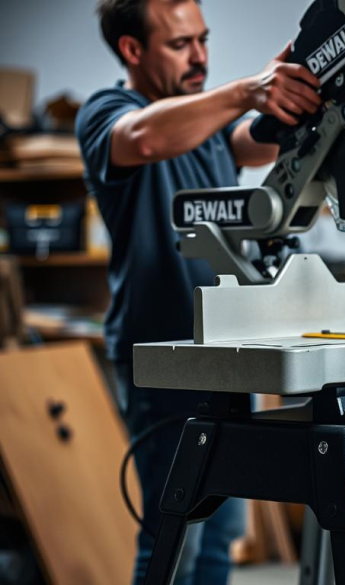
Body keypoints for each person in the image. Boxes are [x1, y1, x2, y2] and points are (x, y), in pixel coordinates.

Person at [76, 0, 321, 582]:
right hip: (165, 358)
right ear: (133, 50)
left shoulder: (207, 130)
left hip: (228, 355)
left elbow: (256, 142)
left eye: (204, 39)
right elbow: (144, 140)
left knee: (222, 536)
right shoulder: (110, 112)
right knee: (173, 534)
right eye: (181, 44)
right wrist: (246, 91)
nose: (200, 56)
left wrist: (314, 100)